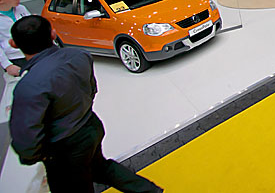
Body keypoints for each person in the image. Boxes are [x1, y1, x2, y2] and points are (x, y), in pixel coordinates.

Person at [8, 15, 162, 193]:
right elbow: (91, 89)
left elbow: (26, 138)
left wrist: (36, 156)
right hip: (90, 126)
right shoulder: (79, 55)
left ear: (14, 44)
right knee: (100, 168)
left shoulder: (28, 86)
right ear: (53, 34)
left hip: (64, 147)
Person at [0, 0, 30, 77]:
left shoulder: (21, 8)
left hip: (33, 52)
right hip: (15, 58)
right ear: (1, 0)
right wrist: (7, 65)